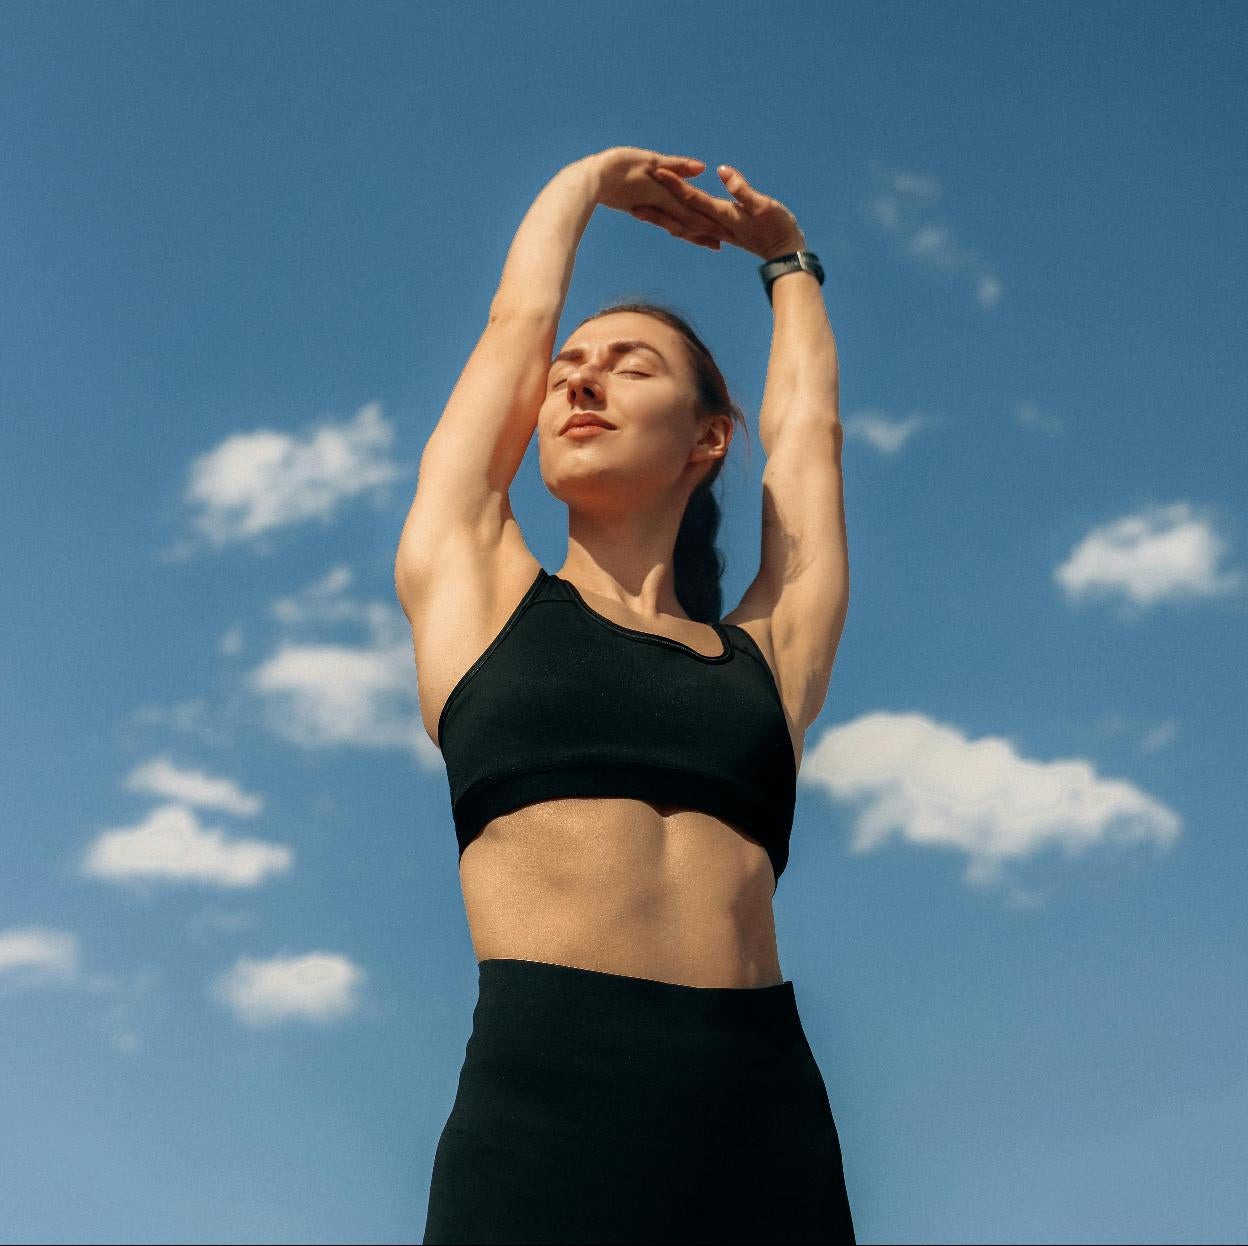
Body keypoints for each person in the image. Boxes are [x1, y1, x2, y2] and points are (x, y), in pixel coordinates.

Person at [396, 146, 853, 1245]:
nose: (578, 381)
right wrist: (580, 188)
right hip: (542, 1116)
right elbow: (517, 330)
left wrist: (787, 261)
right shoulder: (477, 588)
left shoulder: (767, 654)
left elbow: (808, 448)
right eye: (571, 369)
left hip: (763, 1122)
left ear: (708, 437)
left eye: (630, 366)